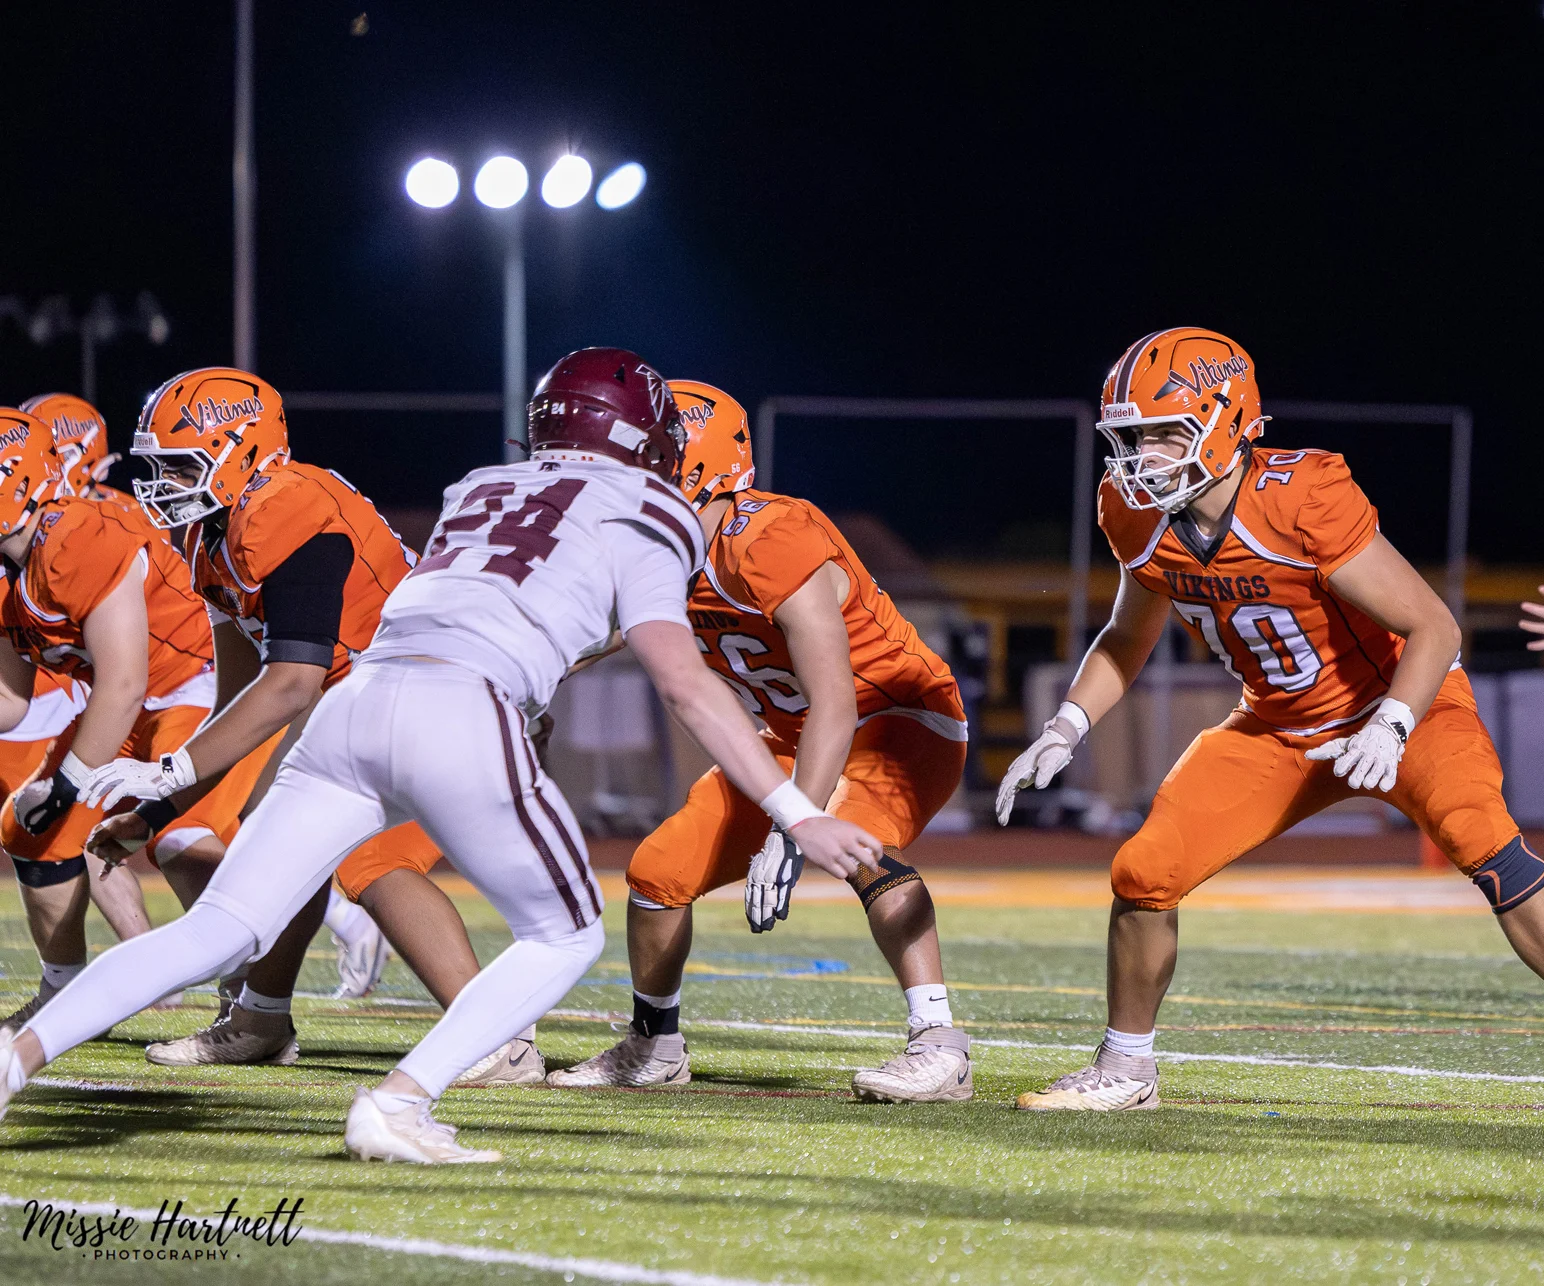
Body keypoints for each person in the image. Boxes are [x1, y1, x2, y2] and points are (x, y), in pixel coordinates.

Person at [0, 347, 885, 1165]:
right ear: (644, 442)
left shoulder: (482, 485)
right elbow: (687, 685)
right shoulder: (652, 508)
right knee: (566, 933)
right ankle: (401, 1100)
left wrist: (167, 782)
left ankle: (15, 1057)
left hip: (356, 704)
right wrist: (797, 811)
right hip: (462, 708)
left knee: (217, 928)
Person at [996, 327, 1544, 1111]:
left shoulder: (1302, 495)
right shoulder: (1131, 510)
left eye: (1163, 433)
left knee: (1483, 838)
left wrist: (1390, 726)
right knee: (1145, 872)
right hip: (1276, 726)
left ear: (1228, 420)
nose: (1142, 457)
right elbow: (1127, 635)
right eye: (1132, 437)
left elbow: (1435, 628)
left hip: (1403, 704)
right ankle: (1126, 1068)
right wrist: (1066, 728)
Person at [77, 368, 529, 1081]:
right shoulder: (209, 537)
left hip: (440, 688)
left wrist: (169, 772)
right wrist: (160, 807)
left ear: (243, 451)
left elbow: (294, 680)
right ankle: (259, 1019)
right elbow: (242, 693)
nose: (161, 483)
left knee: (369, 860)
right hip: (381, 696)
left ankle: (497, 1042)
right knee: (283, 836)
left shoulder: (288, 505)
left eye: (180, 465)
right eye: (157, 466)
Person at [547, 381, 971, 1102]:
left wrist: (798, 821)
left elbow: (837, 697)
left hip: (899, 720)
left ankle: (940, 1044)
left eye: (643, 460)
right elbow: (582, 638)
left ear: (696, 464)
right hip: (792, 733)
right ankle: (655, 1045)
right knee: (658, 873)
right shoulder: (655, 553)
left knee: (861, 846)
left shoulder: (769, 538)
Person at [0, 406, 259, 1035]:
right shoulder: (11, 574)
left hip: (202, 686)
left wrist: (67, 785)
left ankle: (255, 1009)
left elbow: (122, 681)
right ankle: (64, 994)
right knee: (28, 830)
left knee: (180, 831)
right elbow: (10, 702)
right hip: (137, 703)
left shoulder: (74, 536)